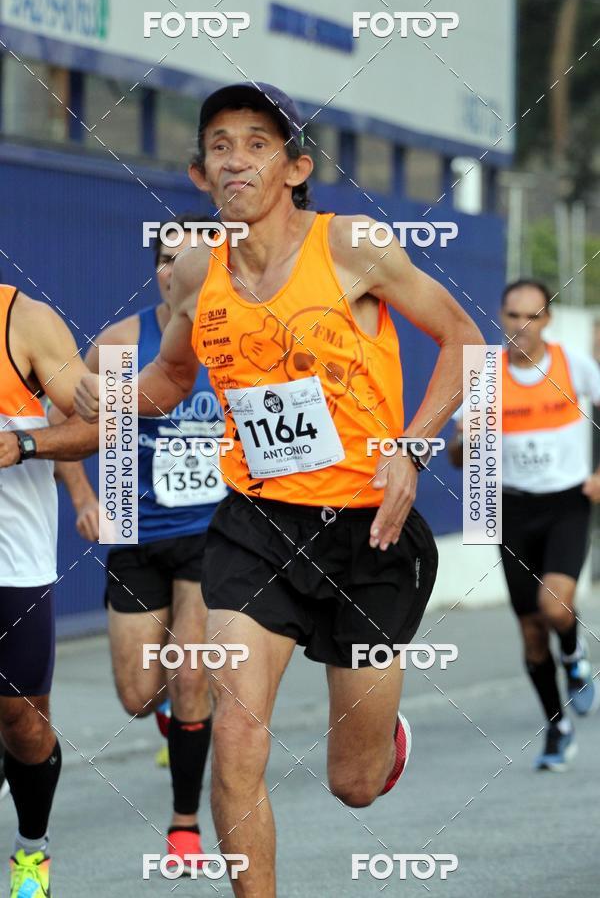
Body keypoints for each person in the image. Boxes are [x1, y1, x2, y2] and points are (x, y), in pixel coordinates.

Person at [73, 82, 483, 896]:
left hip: (369, 529)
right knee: (236, 736)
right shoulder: (194, 272)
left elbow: (464, 341)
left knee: (353, 781)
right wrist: (104, 395)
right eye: (219, 143)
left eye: (257, 143)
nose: (236, 158)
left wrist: (410, 444)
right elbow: (172, 373)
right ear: (199, 172)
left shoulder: (353, 246)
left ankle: (381, 738)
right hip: (254, 526)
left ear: (295, 167)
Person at [53, 214, 226, 871]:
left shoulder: (238, 342)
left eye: (188, 256)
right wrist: (84, 497)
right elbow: (64, 419)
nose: (173, 266)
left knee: (190, 672)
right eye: (164, 256)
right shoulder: (122, 343)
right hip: (136, 531)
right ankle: (175, 720)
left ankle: (184, 825)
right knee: (137, 693)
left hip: (213, 534)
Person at [449, 278, 600, 771]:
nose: (521, 327)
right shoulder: (485, 374)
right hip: (508, 507)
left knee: (555, 606)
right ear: (501, 317)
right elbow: (458, 457)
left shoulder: (574, 364)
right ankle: (556, 728)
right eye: (513, 316)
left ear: (548, 321)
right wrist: (465, 445)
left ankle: (576, 655)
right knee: (532, 633)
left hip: (566, 502)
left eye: (532, 317)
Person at [0, 283, 97, 897]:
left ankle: (31, 851)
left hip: (13, 559)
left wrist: (23, 442)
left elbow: (99, 424)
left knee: (24, 725)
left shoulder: (26, 320)